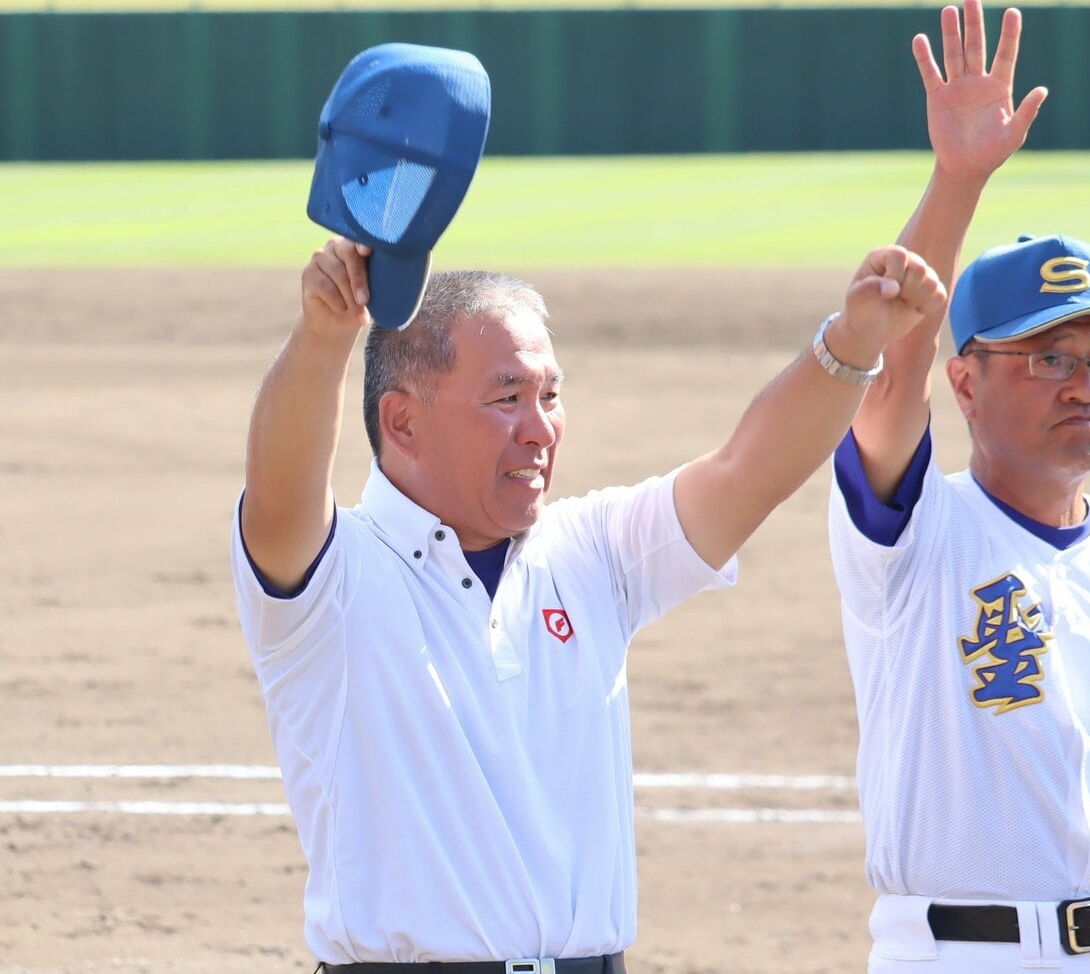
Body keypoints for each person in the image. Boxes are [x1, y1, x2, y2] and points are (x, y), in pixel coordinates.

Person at [230, 222, 946, 963]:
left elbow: (746, 471)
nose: (540, 429)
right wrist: (324, 338)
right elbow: (279, 495)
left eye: (550, 395)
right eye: (508, 397)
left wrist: (852, 343)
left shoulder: (589, 551)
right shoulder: (334, 577)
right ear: (403, 421)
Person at [827, 0, 1090, 974]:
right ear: (965, 381)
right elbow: (889, 368)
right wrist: (958, 179)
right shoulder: (912, 537)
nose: (1085, 383)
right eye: (1048, 357)